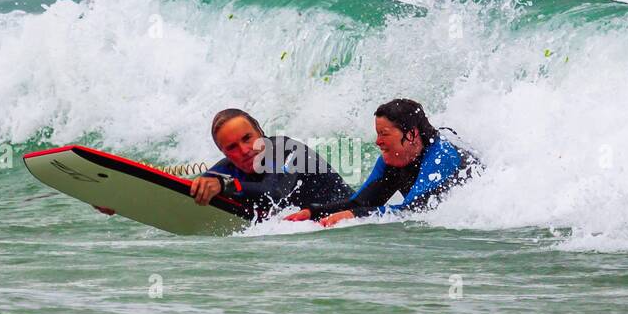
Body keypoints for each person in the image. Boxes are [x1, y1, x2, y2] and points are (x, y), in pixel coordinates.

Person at [285, 98, 478, 227]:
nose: (378, 142)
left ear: (411, 134)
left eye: (384, 134)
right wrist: (312, 212)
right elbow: (360, 202)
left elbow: (412, 212)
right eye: (378, 134)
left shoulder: (442, 156)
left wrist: (353, 216)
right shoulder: (392, 159)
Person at [189, 108, 352, 217]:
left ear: (260, 132)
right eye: (232, 147)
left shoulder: (289, 151)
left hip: (356, 217)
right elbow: (200, 187)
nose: (245, 150)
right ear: (224, 153)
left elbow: (274, 193)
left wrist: (225, 185)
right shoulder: (228, 168)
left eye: (247, 138)